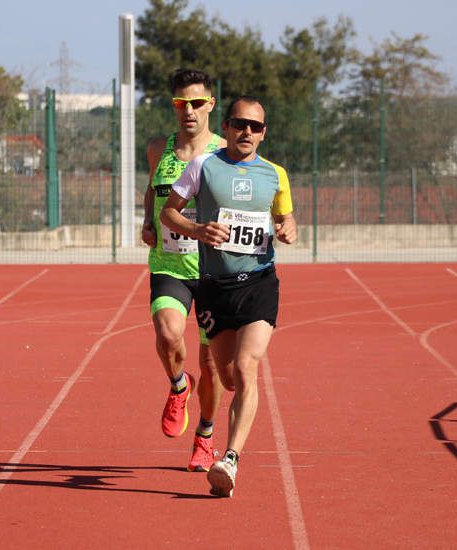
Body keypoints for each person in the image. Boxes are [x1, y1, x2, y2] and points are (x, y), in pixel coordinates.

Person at [160, 95, 297, 497]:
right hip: (213, 288)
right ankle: (211, 424)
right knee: (229, 378)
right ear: (227, 126)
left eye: (256, 127)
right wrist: (198, 230)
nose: (247, 133)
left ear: (264, 133)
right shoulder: (204, 165)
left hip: (258, 283)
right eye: (240, 124)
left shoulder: (276, 175)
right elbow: (170, 213)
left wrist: (289, 228)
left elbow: (285, 217)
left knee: (247, 364)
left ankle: (230, 459)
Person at [141, 68, 226, 472]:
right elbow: (152, 189)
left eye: (196, 103)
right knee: (167, 333)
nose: (188, 111)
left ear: (210, 104)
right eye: (180, 103)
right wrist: (147, 220)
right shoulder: (159, 148)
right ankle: (179, 386)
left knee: (212, 366)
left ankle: (206, 437)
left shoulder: (228, 153)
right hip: (169, 264)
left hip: (214, 271)